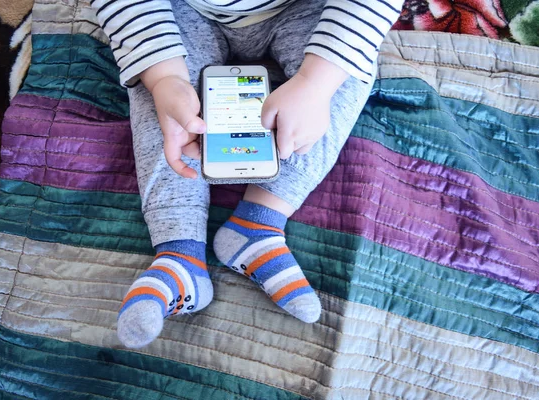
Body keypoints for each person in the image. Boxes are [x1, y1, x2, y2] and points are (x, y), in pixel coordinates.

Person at [91, 0, 403, 348]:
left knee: (347, 73)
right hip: (178, 10)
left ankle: (259, 221)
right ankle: (180, 252)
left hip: (309, 8)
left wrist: (317, 81)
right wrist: (164, 76)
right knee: (163, 103)